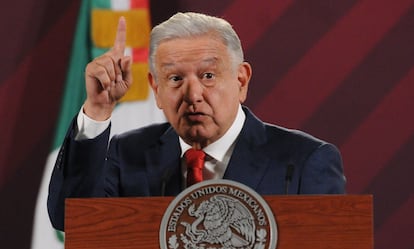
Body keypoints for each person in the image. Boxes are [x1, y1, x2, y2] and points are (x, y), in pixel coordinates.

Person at [47, 12, 346, 231]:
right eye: (175, 79)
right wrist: (98, 109)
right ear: (156, 89)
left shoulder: (304, 160)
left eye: (208, 76)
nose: (193, 95)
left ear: (241, 81)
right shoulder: (128, 154)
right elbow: (71, 219)